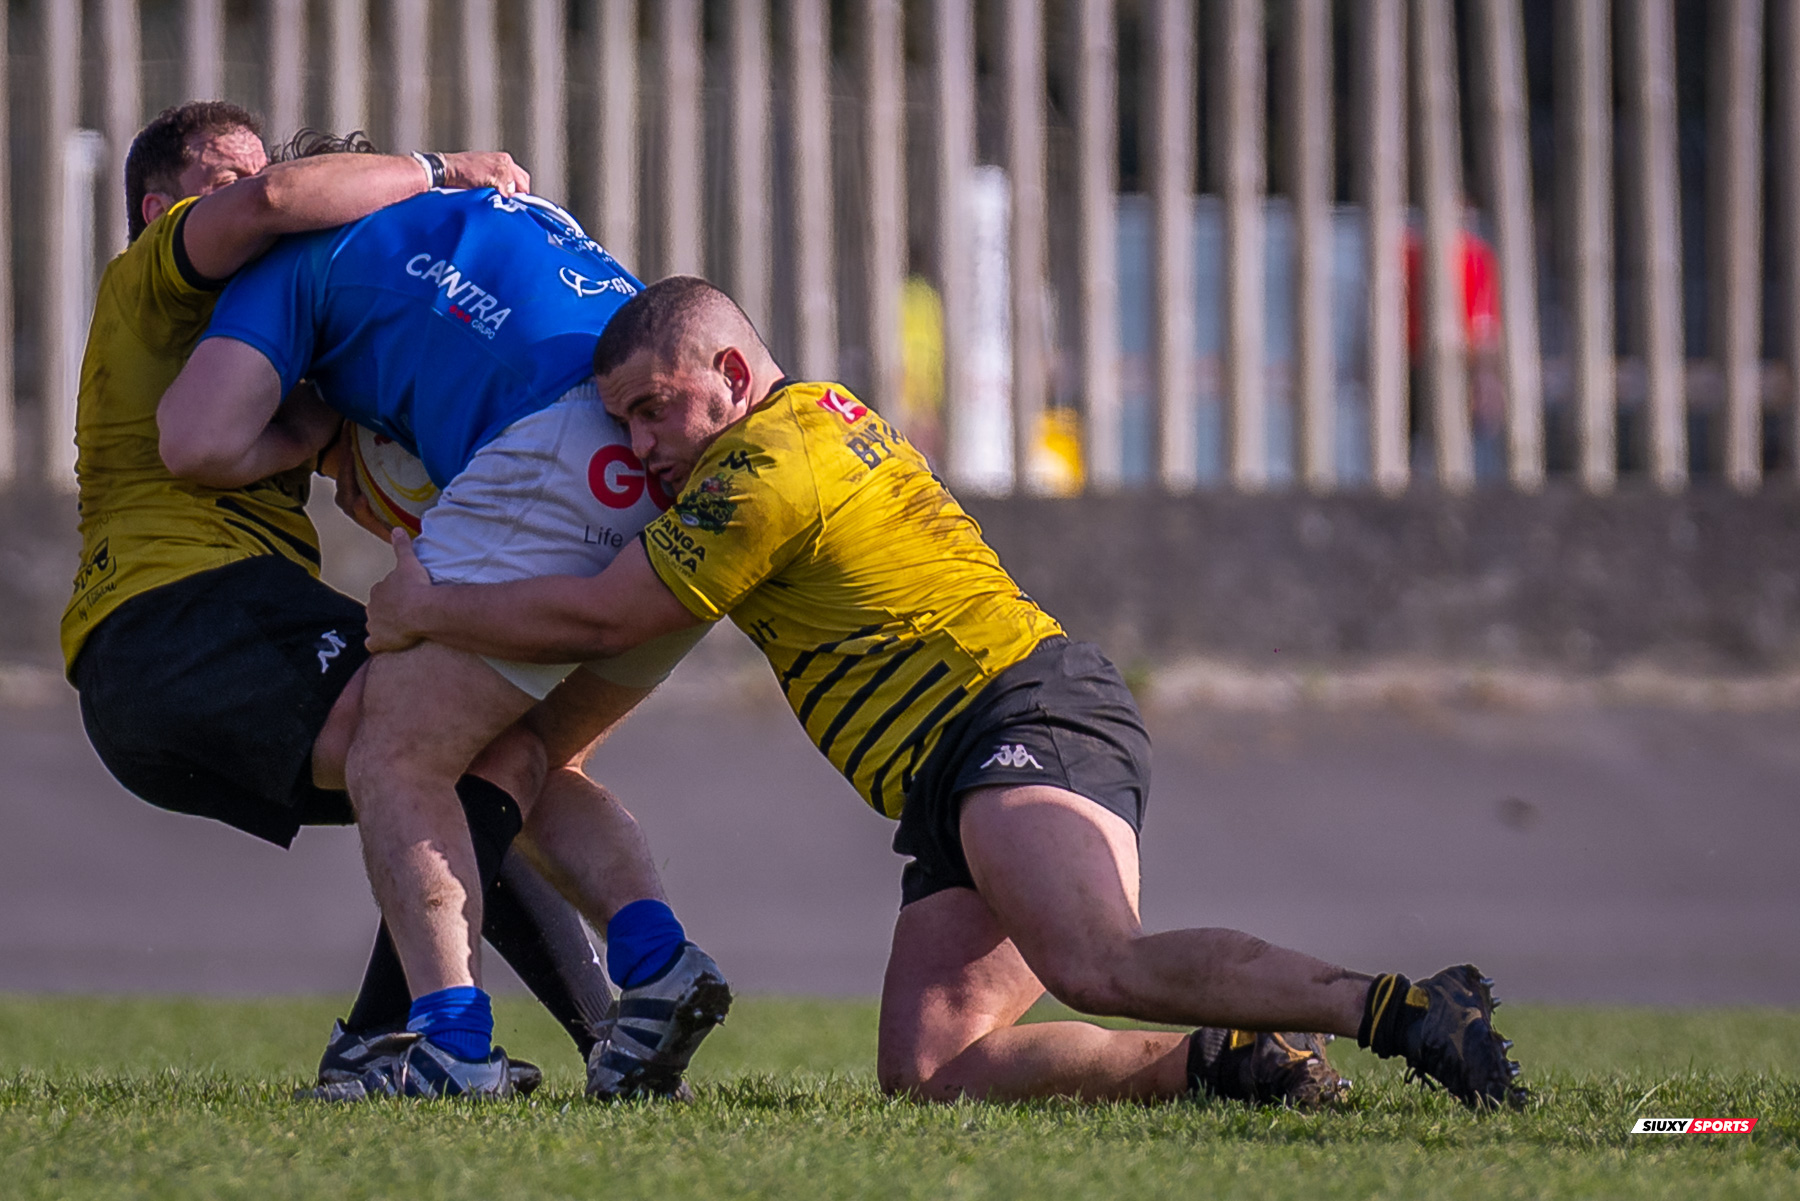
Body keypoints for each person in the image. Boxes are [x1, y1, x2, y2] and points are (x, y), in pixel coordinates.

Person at [362, 275, 1528, 1110]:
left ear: (729, 372)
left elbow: (606, 615)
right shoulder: (804, 424)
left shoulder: (767, 467)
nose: (643, 441)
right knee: (930, 1069)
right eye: (623, 418)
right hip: (961, 765)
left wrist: (427, 608)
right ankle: (1222, 1063)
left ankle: (1404, 1009)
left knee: (1095, 960)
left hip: (1016, 715)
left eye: (656, 405)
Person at [63, 102, 612, 1096]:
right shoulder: (154, 273)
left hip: (166, 653)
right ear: (159, 209)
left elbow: (338, 474)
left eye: (250, 169)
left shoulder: (258, 334)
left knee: (477, 758)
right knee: (469, 747)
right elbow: (278, 199)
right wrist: (446, 168)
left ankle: (593, 1041)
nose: (251, 189)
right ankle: (411, 1045)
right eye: (217, 177)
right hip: (181, 620)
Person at [157, 172, 730, 1101]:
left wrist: (304, 427)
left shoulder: (289, 262)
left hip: (570, 435)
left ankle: (450, 1043)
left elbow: (196, 443)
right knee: (529, 757)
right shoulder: (507, 219)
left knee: (398, 752)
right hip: (680, 454)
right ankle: (656, 956)